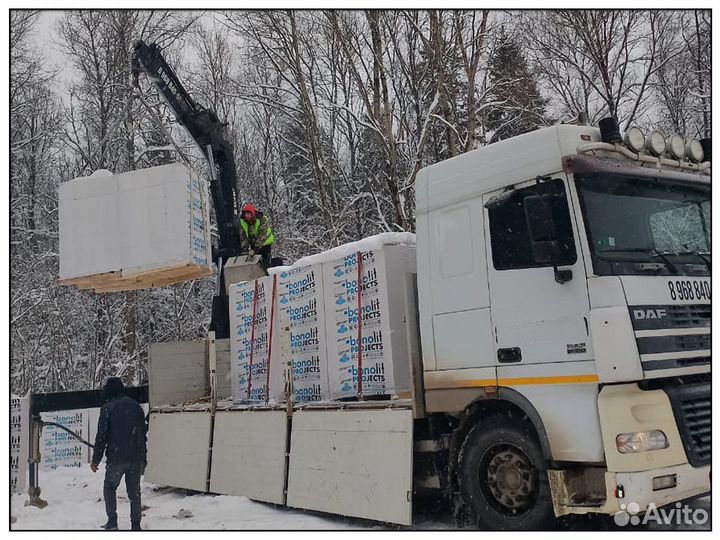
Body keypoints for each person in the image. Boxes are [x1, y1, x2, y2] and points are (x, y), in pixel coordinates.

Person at [91, 377, 147, 531]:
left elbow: (101, 436)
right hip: (136, 457)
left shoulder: (108, 408)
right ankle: (136, 525)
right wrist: (144, 458)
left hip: (117, 457)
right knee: (134, 492)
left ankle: (112, 521)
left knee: (109, 487)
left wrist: (96, 459)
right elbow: (143, 434)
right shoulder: (136, 407)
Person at [239, 202, 275, 268]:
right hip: (254, 242)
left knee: (265, 259)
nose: (247, 216)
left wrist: (257, 247)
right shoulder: (243, 222)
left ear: (252, 214)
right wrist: (245, 248)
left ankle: (267, 271)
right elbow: (243, 236)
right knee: (253, 260)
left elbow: (263, 233)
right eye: (245, 214)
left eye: (248, 214)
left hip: (265, 242)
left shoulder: (262, 219)